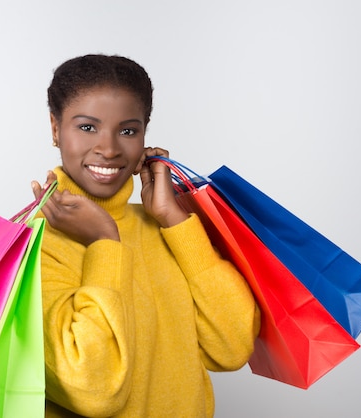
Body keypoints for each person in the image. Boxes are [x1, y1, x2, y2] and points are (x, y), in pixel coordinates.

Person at [31, 54, 260, 418]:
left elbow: (232, 348)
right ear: (56, 128)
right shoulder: (31, 249)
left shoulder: (166, 230)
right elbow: (94, 391)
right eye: (87, 127)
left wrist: (175, 220)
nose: (108, 148)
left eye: (127, 130)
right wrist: (105, 242)